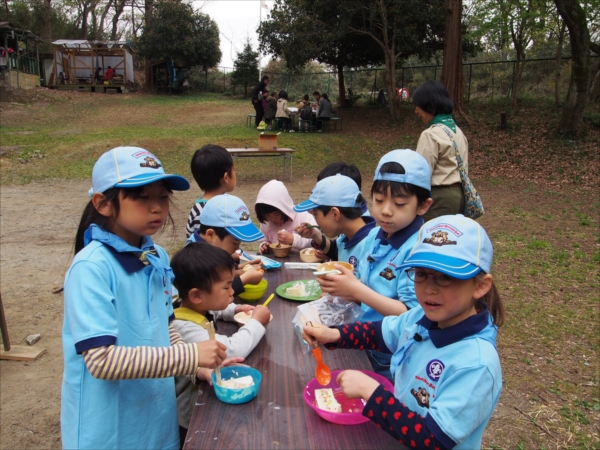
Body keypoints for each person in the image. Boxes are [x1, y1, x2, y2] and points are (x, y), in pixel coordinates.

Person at [62, 147, 227, 449]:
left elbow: (165, 328)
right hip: (110, 429)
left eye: (163, 197)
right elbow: (102, 361)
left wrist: (195, 367)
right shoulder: (91, 268)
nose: (157, 208)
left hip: (156, 420)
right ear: (103, 204)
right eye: (142, 197)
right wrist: (190, 355)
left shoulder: (156, 257)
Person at [303, 214, 504, 449]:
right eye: (421, 274)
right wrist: (334, 335)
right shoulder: (422, 316)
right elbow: (380, 333)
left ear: (480, 286)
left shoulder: (475, 364)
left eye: (444, 278)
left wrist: (371, 392)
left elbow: (433, 439)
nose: (429, 288)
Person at [313, 149, 432, 379]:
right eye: (378, 200)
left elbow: (411, 313)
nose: (385, 210)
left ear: (423, 206)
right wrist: (340, 291)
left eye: (399, 203)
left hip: (392, 356)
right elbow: (367, 290)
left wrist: (356, 289)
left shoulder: (418, 250)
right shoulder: (374, 236)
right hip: (363, 341)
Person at [171, 243, 271, 444]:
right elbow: (229, 350)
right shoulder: (185, 328)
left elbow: (213, 310)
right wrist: (256, 322)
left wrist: (233, 310)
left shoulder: (192, 306)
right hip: (192, 413)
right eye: (226, 287)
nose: (232, 291)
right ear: (196, 295)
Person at [294, 174, 376, 275]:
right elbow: (336, 251)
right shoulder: (345, 236)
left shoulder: (373, 247)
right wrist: (315, 235)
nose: (316, 221)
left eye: (316, 215)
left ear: (335, 214)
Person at [187, 194, 265, 296]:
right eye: (234, 243)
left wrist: (240, 268)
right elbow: (210, 296)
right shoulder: (194, 259)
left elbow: (216, 271)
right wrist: (244, 279)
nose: (237, 248)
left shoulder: (208, 248)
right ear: (210, 235)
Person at [413, 80, 468, 221]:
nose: (416, 111)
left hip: (439, 198)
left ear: (429, 106)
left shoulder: (431, 134)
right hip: (459, 196)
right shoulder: (456, 131)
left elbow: (421, 173)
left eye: (418, 106)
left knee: (429, 238)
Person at [185, 145, 236, 238]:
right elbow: (201, 249)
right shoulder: (204, 213)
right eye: (233, 169)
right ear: (226, 177)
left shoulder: (206, 207)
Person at [255, 179, 317, 253]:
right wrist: (264, 245)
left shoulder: (302, 215)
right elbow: (263, 240)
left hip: (302, 262)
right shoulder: (266, 222)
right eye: (268, 215)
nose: (272, 219)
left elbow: (315, 239)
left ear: (284, 208)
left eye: (276, 214)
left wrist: (293, 240)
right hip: (276, 262)